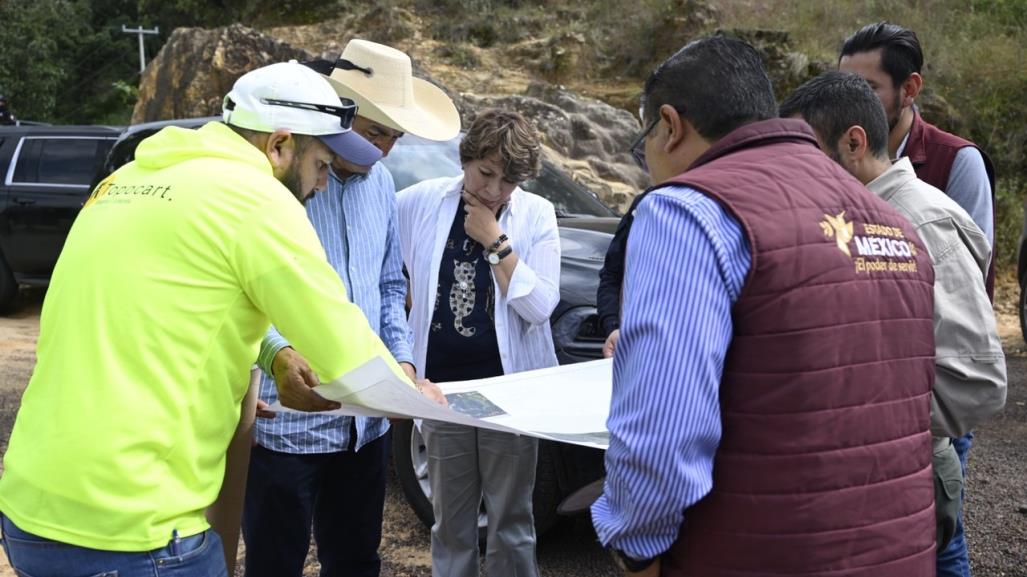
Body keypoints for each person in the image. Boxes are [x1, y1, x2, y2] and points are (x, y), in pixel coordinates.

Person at [0, 60, 443, 577]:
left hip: (32, 511)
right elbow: (340, 343)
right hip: (137, 526)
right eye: (321, 165)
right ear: (278, 146)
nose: (323, 185)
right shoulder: (256, 199)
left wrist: (273, 354)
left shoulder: (127, 181)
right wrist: (413, 396)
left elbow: (190, 299)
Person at [591, 36, 937, 577]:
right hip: (900, 552)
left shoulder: (686, 212)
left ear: (670, 124)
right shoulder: (893, 224)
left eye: (645, 146)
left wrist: (636, 549)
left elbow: (662, 434)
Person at [241, 40, 460, 577]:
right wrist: (267, 359)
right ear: (335, 119)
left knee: (357, 562)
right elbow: (241, 289)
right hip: (286, 423)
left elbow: (389, 286)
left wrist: (402, 365)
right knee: (273, 564)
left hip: (364, 430)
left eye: (394, 137)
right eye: (373, 132)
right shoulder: (274, 186)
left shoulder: (381, 185)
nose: (384, 150)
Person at [780, 70, 1007, 551]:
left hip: (912, 471)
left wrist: (854, 415)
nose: (794, 174)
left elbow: (977, 384)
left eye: (804, 156)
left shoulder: (924, 221)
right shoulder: (847, 219)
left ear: (854, 143)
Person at [839, 22, 996, 575]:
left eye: (869, 88)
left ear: (910, 89)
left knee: (938, 531)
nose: (852, 101)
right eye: (845, 86)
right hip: (867, 383)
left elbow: (966, 278)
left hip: (932, 379)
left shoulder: (957, 161)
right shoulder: (838, 156)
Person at [397, 108, 559, 577]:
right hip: (441, 392)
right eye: (486, 173)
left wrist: (496, 242)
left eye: (508, 181)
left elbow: (540, 307)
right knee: (451, 524)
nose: (494, 190)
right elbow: (387, 262)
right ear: (467, 158)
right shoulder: (423, 201)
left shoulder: (536, 214)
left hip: (510, 395)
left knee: (512, 522)